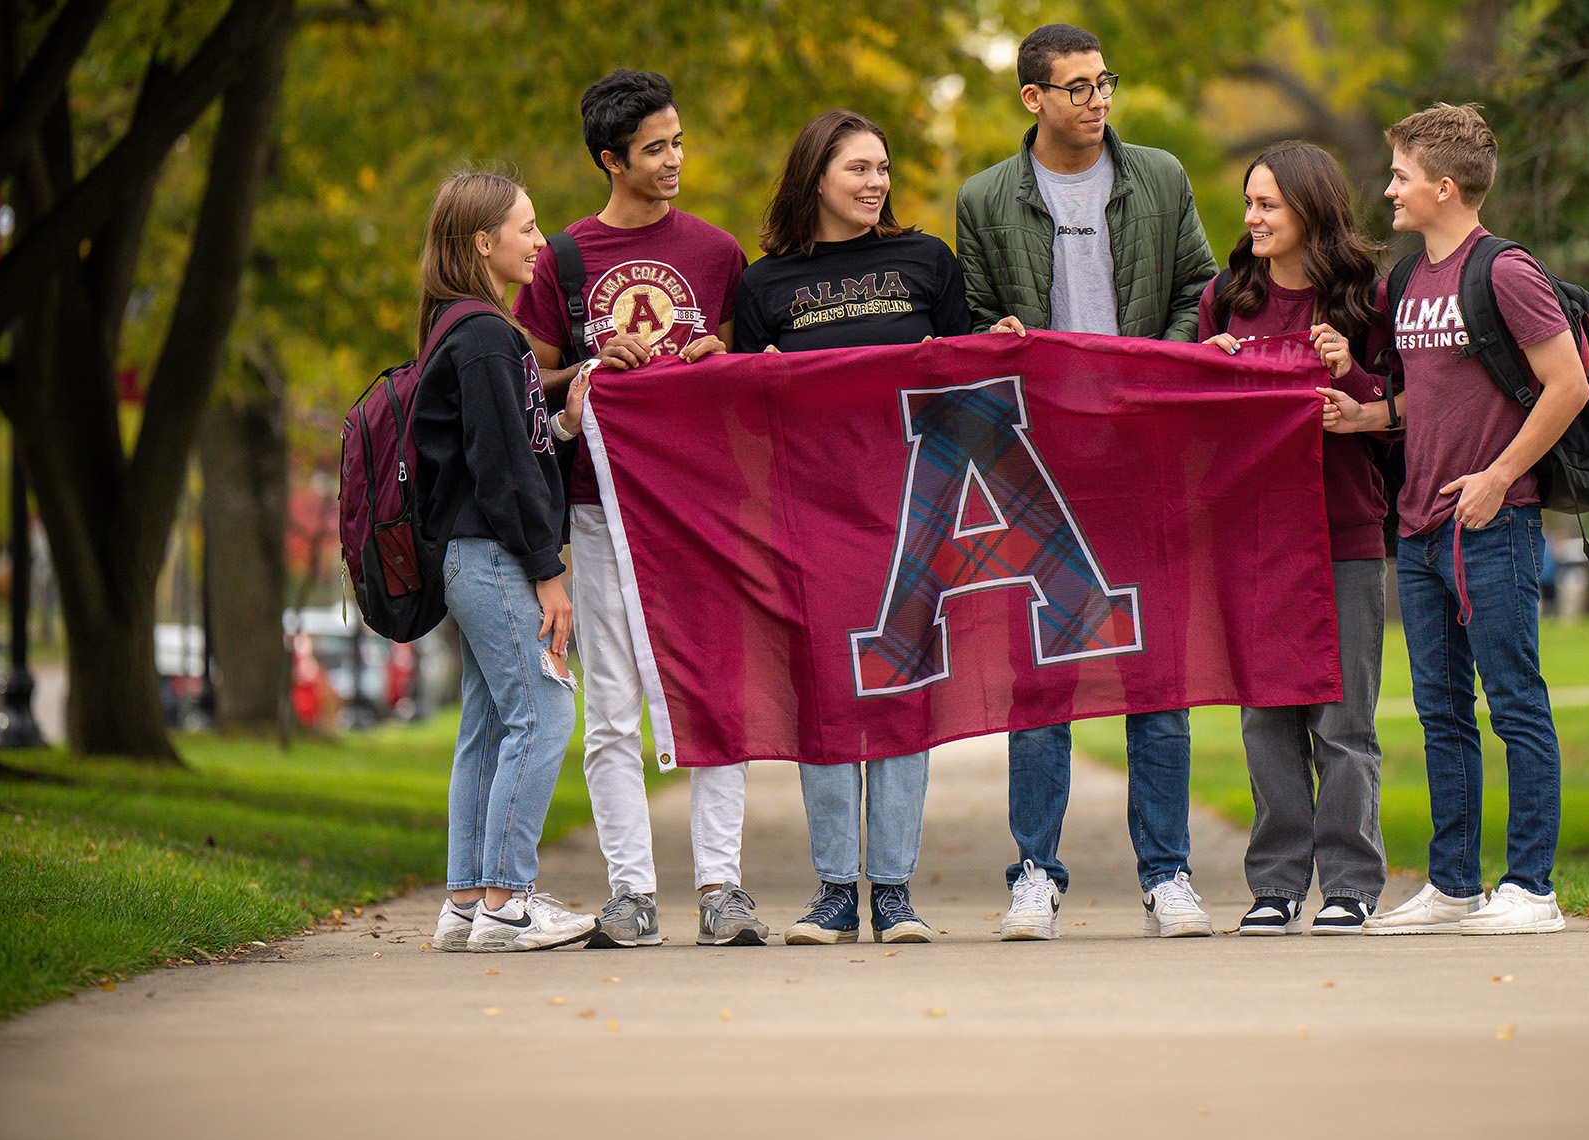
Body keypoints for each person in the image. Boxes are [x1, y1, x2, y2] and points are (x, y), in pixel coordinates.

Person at [954, 22, 1218, 941]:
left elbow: (1200, 288)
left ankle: (1168, 873)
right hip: (1041, 468)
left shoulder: (1161, 177)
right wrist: (1002, 342)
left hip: (1144, 459)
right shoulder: (985, 197)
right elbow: (979, 315)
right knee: (1043, 681)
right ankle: (1035, 871)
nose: (1098, 100)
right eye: (1078, 87)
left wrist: (1156, 370)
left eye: (1106, 82)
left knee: (1158, 674)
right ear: (1033, 98)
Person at [512, 69, 770, 948]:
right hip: (599, 507)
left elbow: (755, 373)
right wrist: (586, 370)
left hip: (703, 511)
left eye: (678, 141)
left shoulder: (718, 253)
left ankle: (723, 889)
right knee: (615, 703)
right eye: (656, 148)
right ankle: (631, 895)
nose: (674, 160)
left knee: (713, 694)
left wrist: (714, 358)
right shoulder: (563, 259)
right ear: (609, 159)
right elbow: (527, 375)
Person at [1321, 103, 1589, 933]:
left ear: (1445, 185)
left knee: (1514, 701)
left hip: (1495, 519)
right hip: (1419, 526)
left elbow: (1568, 385)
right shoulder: (1404, 281)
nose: (1389, 188)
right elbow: (1421, 401)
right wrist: (1361, 416)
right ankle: (1453, 884)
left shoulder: (1503, 271)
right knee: (1441, 711)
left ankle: (1532, 888)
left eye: (1400, 175)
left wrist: (1499, 477)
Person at [733, 110, 971, 945]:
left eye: (882, 169)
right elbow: (741, 415)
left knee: (902, 696)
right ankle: (835, 889)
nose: (875, 183)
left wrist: (1000, 347)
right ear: (815, 179)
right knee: (827, 700)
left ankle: (896, 891)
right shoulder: (764, 287)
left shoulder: (926, 263)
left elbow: (967, 385)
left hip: (914, 513)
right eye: (857, 170)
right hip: (809, 520)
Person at [1198, 141, 1391, 934]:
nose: (1251, 218)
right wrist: (1200, 369)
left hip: (1345, 528)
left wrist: (1353, 372)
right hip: (1253, 536)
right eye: (1249, 203)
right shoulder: (1227, 299)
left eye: (1267, 204)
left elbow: (1402, 411)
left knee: (1343, 719)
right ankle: (1274, 884)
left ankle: (1350, 884)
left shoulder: (1367, 302)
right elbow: (1196, 427)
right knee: (1266, 716)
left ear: (1311, 207)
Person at [417, 170, 600, 954]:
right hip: (496, 556)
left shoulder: (460, 330)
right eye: (526, 228)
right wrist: (545, 569)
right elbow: (498, 471)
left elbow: (504, 449)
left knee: (490, 725)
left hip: (471, 553)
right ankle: (507, 900)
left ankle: (466, 900)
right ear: (483, 242)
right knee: (546, 711)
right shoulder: (489, 336)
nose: (539, 242)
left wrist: (560, 423)